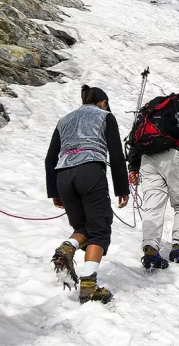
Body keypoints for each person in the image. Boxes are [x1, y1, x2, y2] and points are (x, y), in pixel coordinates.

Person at [46, 85, 130, 304]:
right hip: (90, 171)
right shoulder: (105, 116)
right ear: (102, 102)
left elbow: (50, 158)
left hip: (63, 175)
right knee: (100, 230)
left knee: (83, 228)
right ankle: (89, 287)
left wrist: (55, 192)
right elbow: (116, 154)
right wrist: (122, 188)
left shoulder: (64, 120)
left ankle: (68, 248)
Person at [127, 92, 179, 269]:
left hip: (147, 158)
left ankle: (151, 250)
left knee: (153, 205)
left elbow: (135, 137)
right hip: (173, 156)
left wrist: (133, 167)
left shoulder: (151, 111)